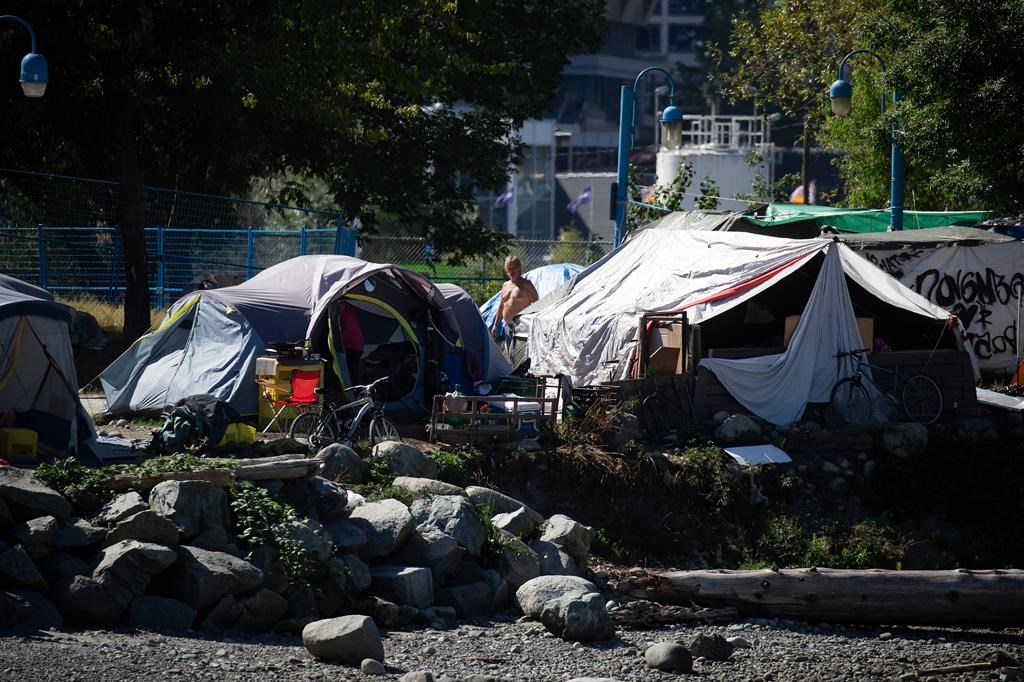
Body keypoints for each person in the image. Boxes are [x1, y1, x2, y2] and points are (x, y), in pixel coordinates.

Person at [492, 256, 539, 355]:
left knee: (517, 357)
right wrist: (496, 325)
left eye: (514, 268)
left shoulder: (527, 285)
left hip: (521, 327)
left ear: (520, 268)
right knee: (510, 355)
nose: (511, 271)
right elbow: (502, 306)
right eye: (509, 269)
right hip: (507, 326)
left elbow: (537, 306)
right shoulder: (505, 285)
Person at [338, 301, 365, 386]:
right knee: (353, 371)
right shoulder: (350, 308)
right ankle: (355, 391)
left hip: (351, 345)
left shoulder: (342, 306)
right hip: (357, 345)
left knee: (350, 371)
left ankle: (353, 392)